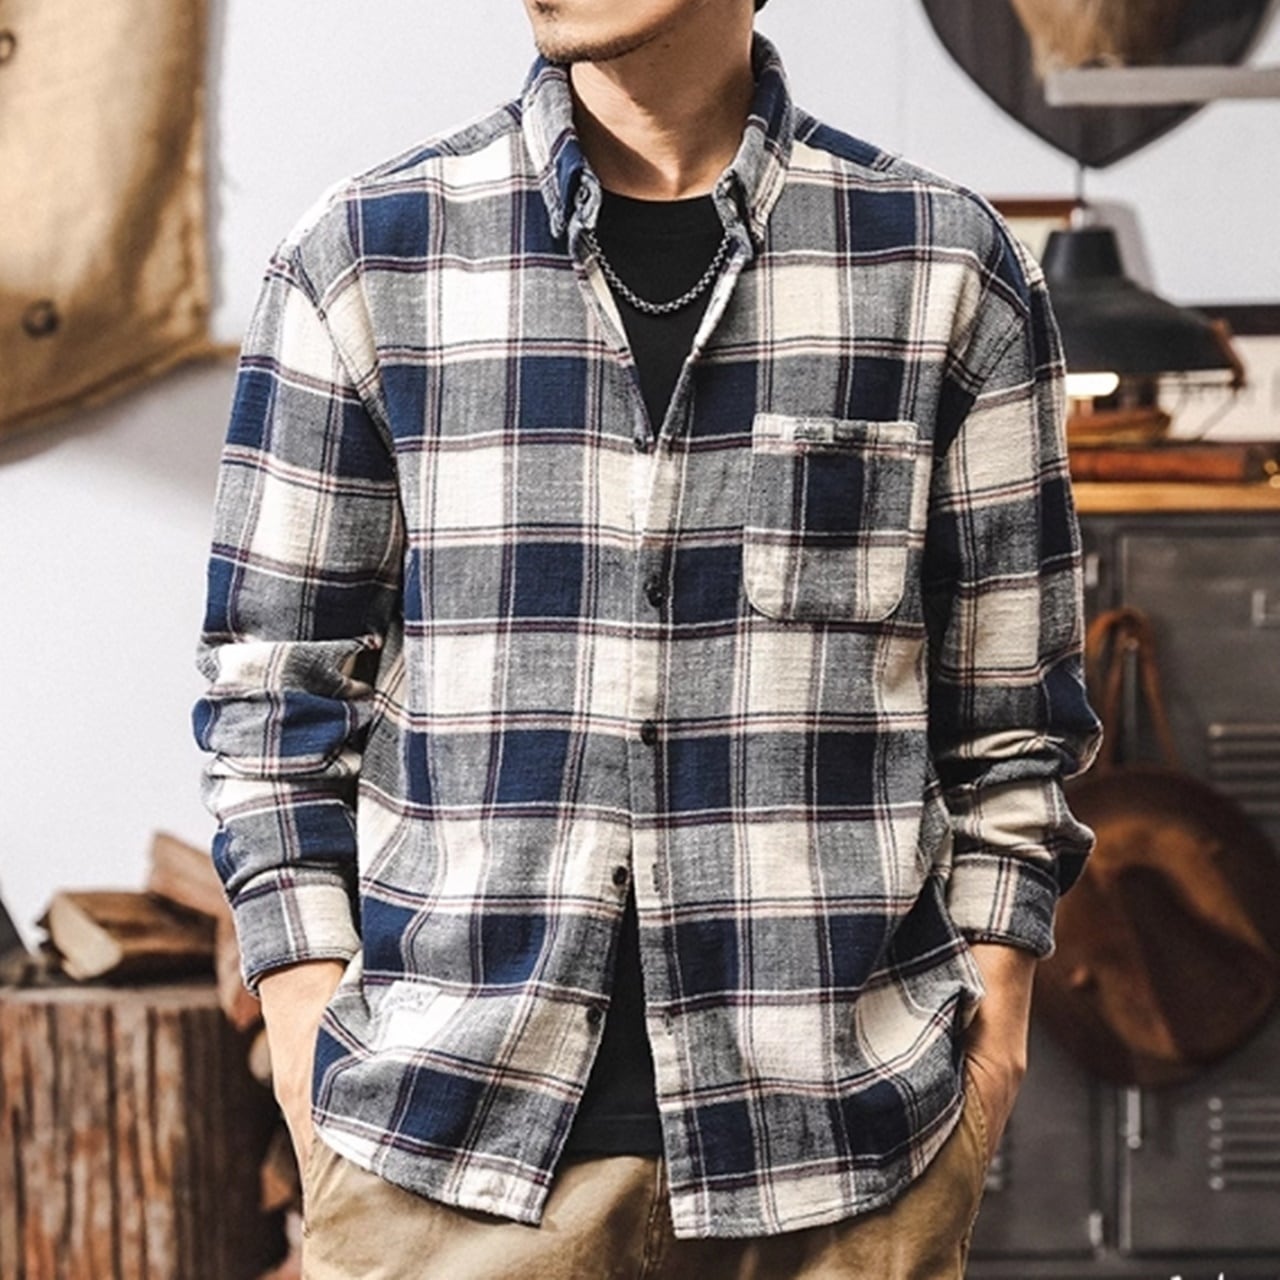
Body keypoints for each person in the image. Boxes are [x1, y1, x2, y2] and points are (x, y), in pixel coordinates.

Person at [194, 1, 1101, 1275]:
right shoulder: (365, 256)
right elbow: (270, 694)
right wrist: (302, 1020)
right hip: (443, 1160)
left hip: (843, 1162)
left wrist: (990, 1035)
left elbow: (1012, 722)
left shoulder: (942, 265)